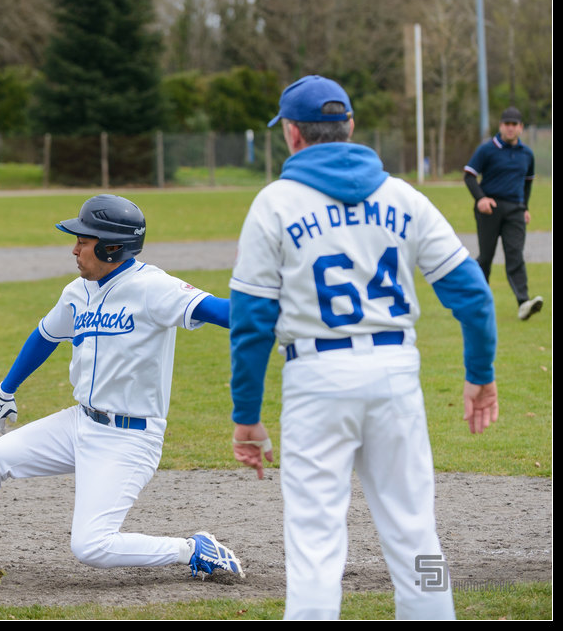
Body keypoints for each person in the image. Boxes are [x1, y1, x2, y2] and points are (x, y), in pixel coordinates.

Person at [228, 76, 499, 620]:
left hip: (316, 377)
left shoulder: (275, 202)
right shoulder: (402, 196)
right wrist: (480, 373)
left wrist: (247, 416)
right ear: (349, 126)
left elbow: (252, 323)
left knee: (315, 540)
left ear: (293, 134)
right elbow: (473, 295)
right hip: (394, 373)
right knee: (415, 528)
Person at [0, 194, 243, 581]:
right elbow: (45, 336)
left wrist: (273, 310)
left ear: (112, 248)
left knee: (91, 546)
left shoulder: (154, 287)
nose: (74, 250)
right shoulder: (78, 291)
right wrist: (7, 388)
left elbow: (219, 310)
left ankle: (192, 549)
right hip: (79, 423)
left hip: (128, 438)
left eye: (83, 241)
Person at [464, 106, 543, 321]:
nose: (510, 128)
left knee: (515, 255)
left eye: (514, 124)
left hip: (515, 210)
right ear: (500, 126)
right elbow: (469, 175)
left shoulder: (527, 154)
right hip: (490, 209)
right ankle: (478, 301)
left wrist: (525, 207)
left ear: (521, 127)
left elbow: (527, 183)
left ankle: (523, 303)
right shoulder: (487, 149)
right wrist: (481, 198)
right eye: (506, 124)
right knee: (486, 257)